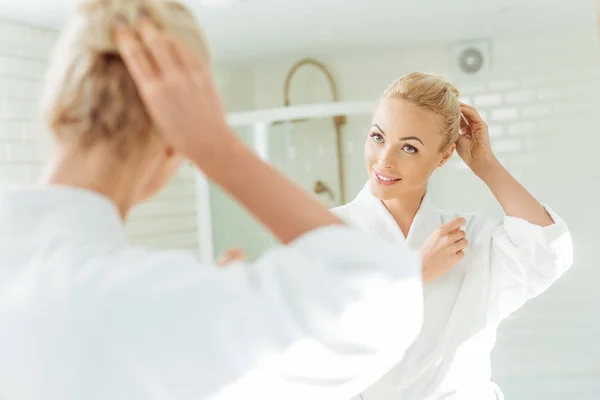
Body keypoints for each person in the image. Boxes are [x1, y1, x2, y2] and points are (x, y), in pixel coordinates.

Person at [0, 1, 424, 399]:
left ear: (54, 107)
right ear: (174, 142)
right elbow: (378, 296)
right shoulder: (141, 303)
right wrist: (217, 147)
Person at [332, 73, 573, 400]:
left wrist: (486, 165)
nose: (385, 160)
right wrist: (412, 276)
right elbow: (309, 338)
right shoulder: (328, 230)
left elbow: (547, 251)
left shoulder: (469, 237)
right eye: (378, 137)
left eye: (409, 147)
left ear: (443, 156)